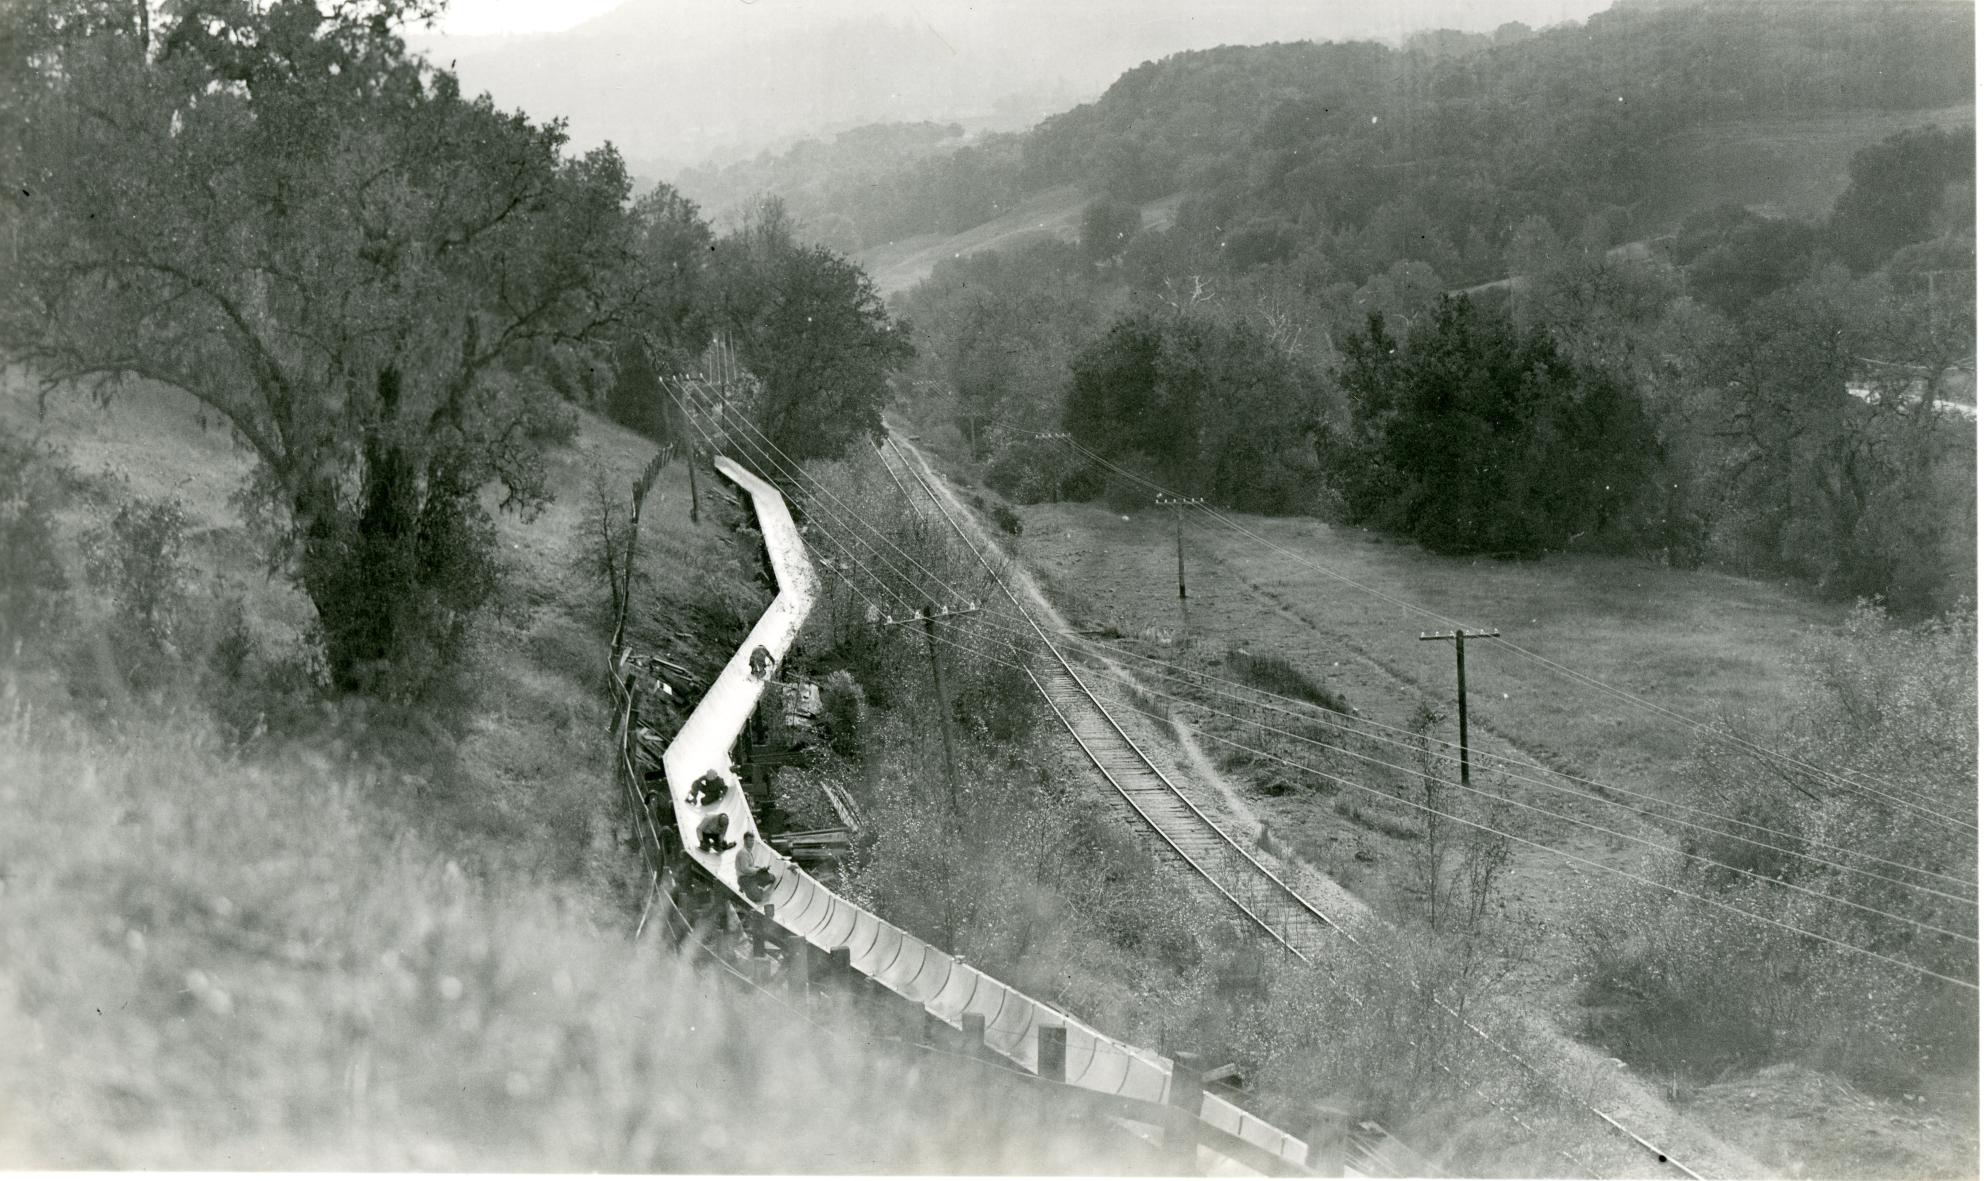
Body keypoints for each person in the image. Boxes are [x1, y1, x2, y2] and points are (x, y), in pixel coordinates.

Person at [737, 831, 782, 903]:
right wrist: (760, 869)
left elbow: (752, 867)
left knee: (772, 878)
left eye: (752, 841)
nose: (751, 843)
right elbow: (745, 870)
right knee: (757, 898)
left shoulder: (749, 851)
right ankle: (752, 890)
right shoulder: (743, 853)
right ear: (745, 841)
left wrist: (762, 869)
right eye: (749, 841)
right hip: (746, 879)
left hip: (753, 875)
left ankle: (755, 887)